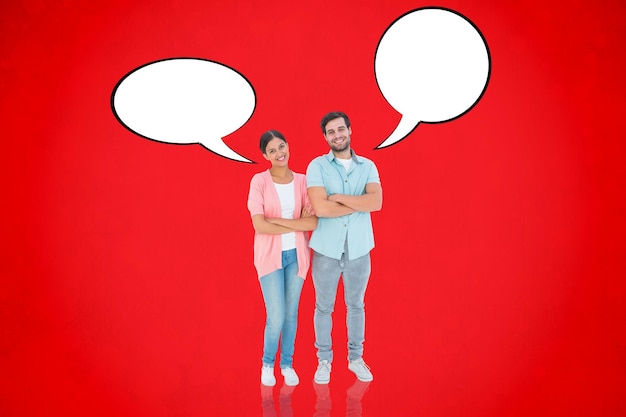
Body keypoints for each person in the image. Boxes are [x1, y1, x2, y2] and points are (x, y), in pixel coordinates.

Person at [306, 111, 382, 384]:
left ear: (350, 130)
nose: (337, 135)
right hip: (326, 250)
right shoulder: (317, 166)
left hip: (359, 250)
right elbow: (321, 208)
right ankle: (324, 360)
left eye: (341, 129)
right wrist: (355, 202)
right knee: (323, 307)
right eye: (331, 132)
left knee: (356, 306)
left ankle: (355, 358)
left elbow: (376, 203)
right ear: (325, 137)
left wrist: (337, 197)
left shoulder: (368, 166)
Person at [247, 130, 318, 387]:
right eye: (273, 150)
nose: (279, 153)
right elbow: (260, 227)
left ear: (288, 146)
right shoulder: (259, 182)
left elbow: (313, 221)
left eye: (282, 146)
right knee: (275, 315)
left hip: (297, 255)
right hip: (269, 257)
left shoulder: (302, 181)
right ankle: (268, 363)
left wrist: (277, 220)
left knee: (291, 313)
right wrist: (295, 223)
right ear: (265, 156)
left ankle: (286, 364)